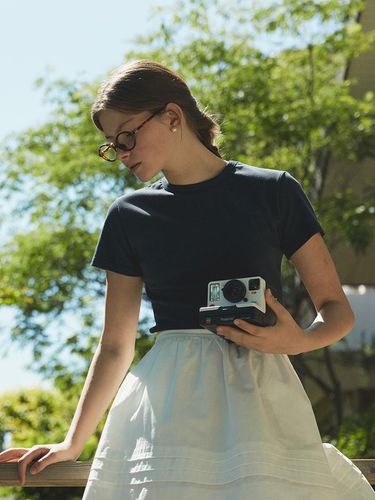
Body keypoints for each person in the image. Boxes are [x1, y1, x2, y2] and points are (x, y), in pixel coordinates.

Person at [0, 60, 373, 500]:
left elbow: (336, 310)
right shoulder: (128, 215)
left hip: (261, 396)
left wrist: (293, 342)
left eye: (126, 136)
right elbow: (115, 346)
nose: (120, 152)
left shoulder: (274, 191)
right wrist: (73, 442)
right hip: (166, 405)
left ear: (172, 117)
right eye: (110, 145)